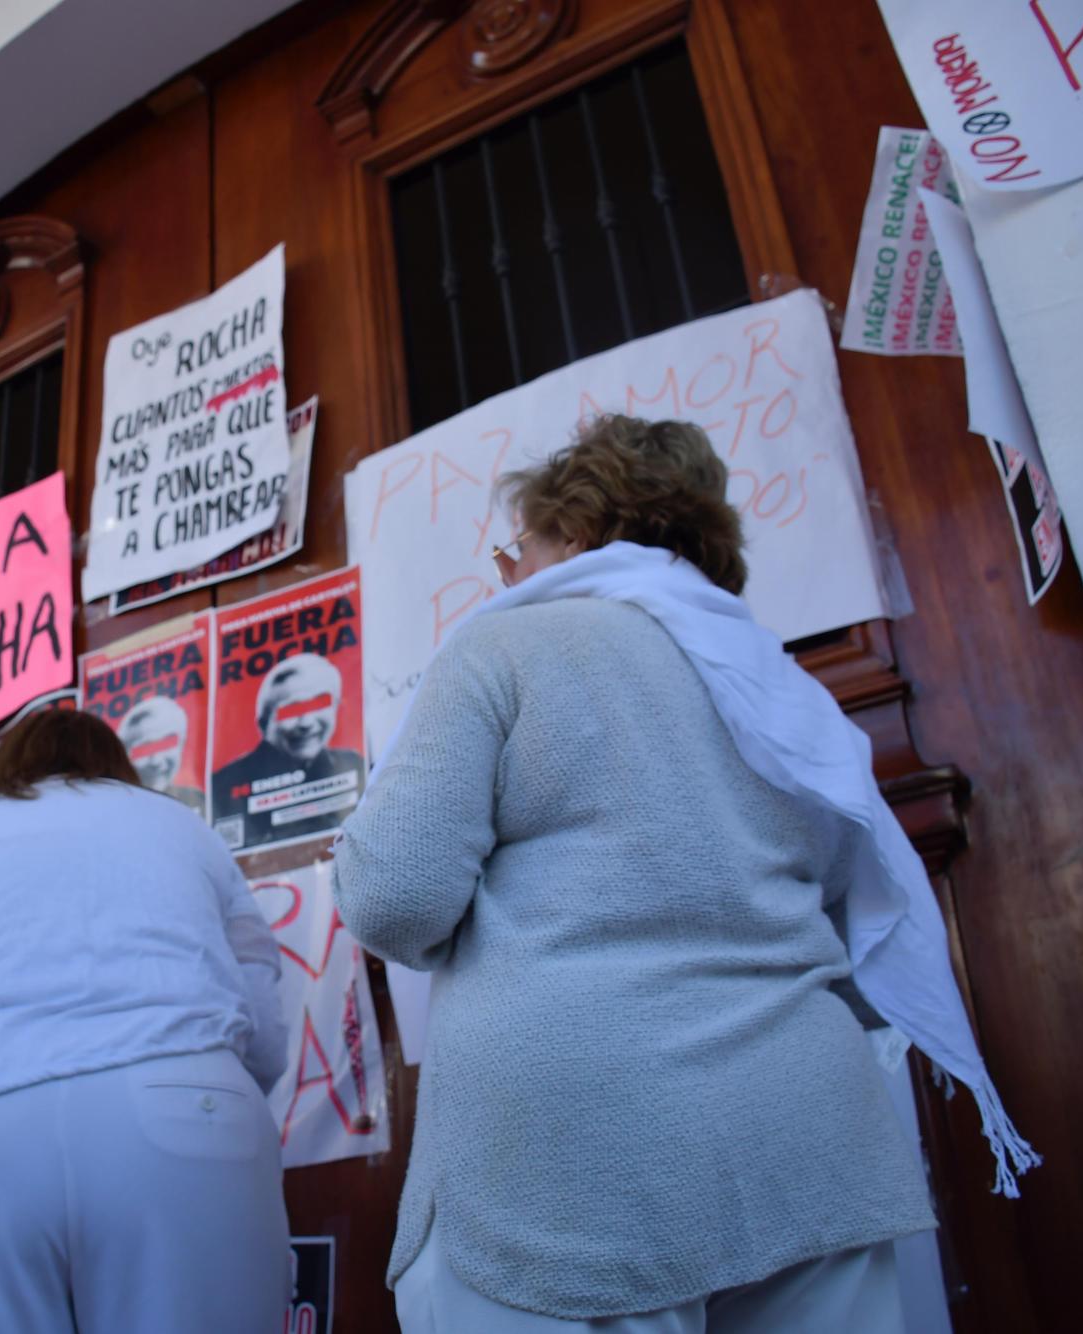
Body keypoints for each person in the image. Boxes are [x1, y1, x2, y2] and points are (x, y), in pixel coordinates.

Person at [335, 415, 1034, 1333]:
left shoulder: (502, 647)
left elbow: (394, 900)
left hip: (573, 1175)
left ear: (576, 533)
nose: (506, 573)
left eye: (519, 545)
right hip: (815, 1148)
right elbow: (842, 903)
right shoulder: (781, 691)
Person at [0, 709, 290, 1333]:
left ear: (5, 766)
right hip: (179, 1111)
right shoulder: (182, 827)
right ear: (118, 768)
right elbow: (264, 1027)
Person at [209, 652, 365, 848]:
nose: (307, 723)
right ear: (264, 725)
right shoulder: (224, 786)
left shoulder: (354, 764)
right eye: (291, 710)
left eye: (319, 703)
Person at [117, 694, 205, 815]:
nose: (156, 761)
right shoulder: (117, 812)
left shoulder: (198, 802)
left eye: (166, 744)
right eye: (143, 750)